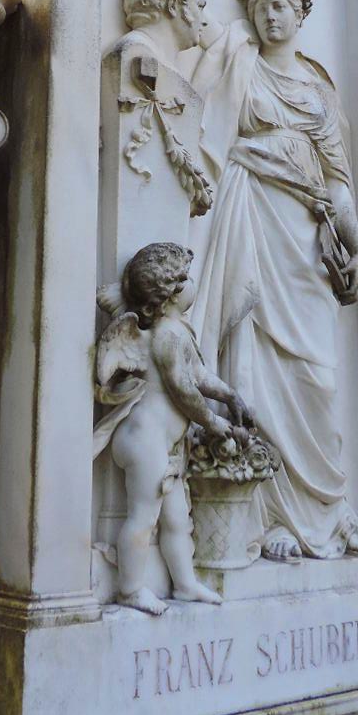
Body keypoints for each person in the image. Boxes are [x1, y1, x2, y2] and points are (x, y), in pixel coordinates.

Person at [156, 0, 358, 561]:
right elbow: (177, 15)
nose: (269, 17)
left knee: (317, 374)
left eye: (280, 5)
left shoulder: (317, 90)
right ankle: (269, 520)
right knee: (251, 362)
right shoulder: (240, 62)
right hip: (250, 223)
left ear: (300, 14)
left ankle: (329, 511)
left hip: (306, 242)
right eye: (260, 7)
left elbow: (338, 182)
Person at [94, 242, 253, 613]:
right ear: (169, 293)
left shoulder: (178, 331)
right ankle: (130, 589)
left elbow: (199, 375)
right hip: (143, 439)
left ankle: (183, 584)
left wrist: (231, 396)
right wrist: (213, 421)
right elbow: (183, 389)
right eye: (185, 279)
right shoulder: (165, 336)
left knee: (178, 520)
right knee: (143, 517)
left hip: (164, 446)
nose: (191, 284)